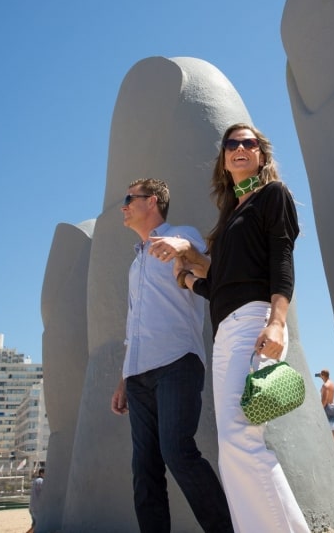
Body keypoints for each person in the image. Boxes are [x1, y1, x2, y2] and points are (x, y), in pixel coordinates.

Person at [151, 123, 309, 533]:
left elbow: (282, 263)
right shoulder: (230, 217)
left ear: (261, 154)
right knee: (233, 447)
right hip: (227, 331)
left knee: (242, 441)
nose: (240, 148)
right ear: (224, 159)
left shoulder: (273, 196)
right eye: (231, 144)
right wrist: (189, 279)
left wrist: (277, 322)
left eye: (249, 143)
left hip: (257, 321)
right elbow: (223, 285)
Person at [110, 178, 234, 533]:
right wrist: (123, 378)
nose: (124, 206)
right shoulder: (135, 267)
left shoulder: (183, 233)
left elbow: (206, 266)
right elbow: (132, 325)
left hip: (177, 364)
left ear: (152, 202)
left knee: (178, 451)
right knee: (144, 469)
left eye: (129, 198)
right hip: (138, 376)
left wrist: (180, 245)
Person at [316, 369, 334, 445]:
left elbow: (324, 400)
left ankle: (325, 445)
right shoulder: (332, 384)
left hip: (327, 407)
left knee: (323, 428)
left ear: (323, 376)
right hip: (332, 406)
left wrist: (320, 410)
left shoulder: (325, 386)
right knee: (333, 428)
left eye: (321, 375)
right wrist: (320, 375)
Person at [25, 468, 44, 533]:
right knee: (38, 525)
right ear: (42, 473)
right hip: (37, 507)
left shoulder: (35, 480)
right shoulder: (41, 481)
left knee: (35, 525)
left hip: (32, 507)